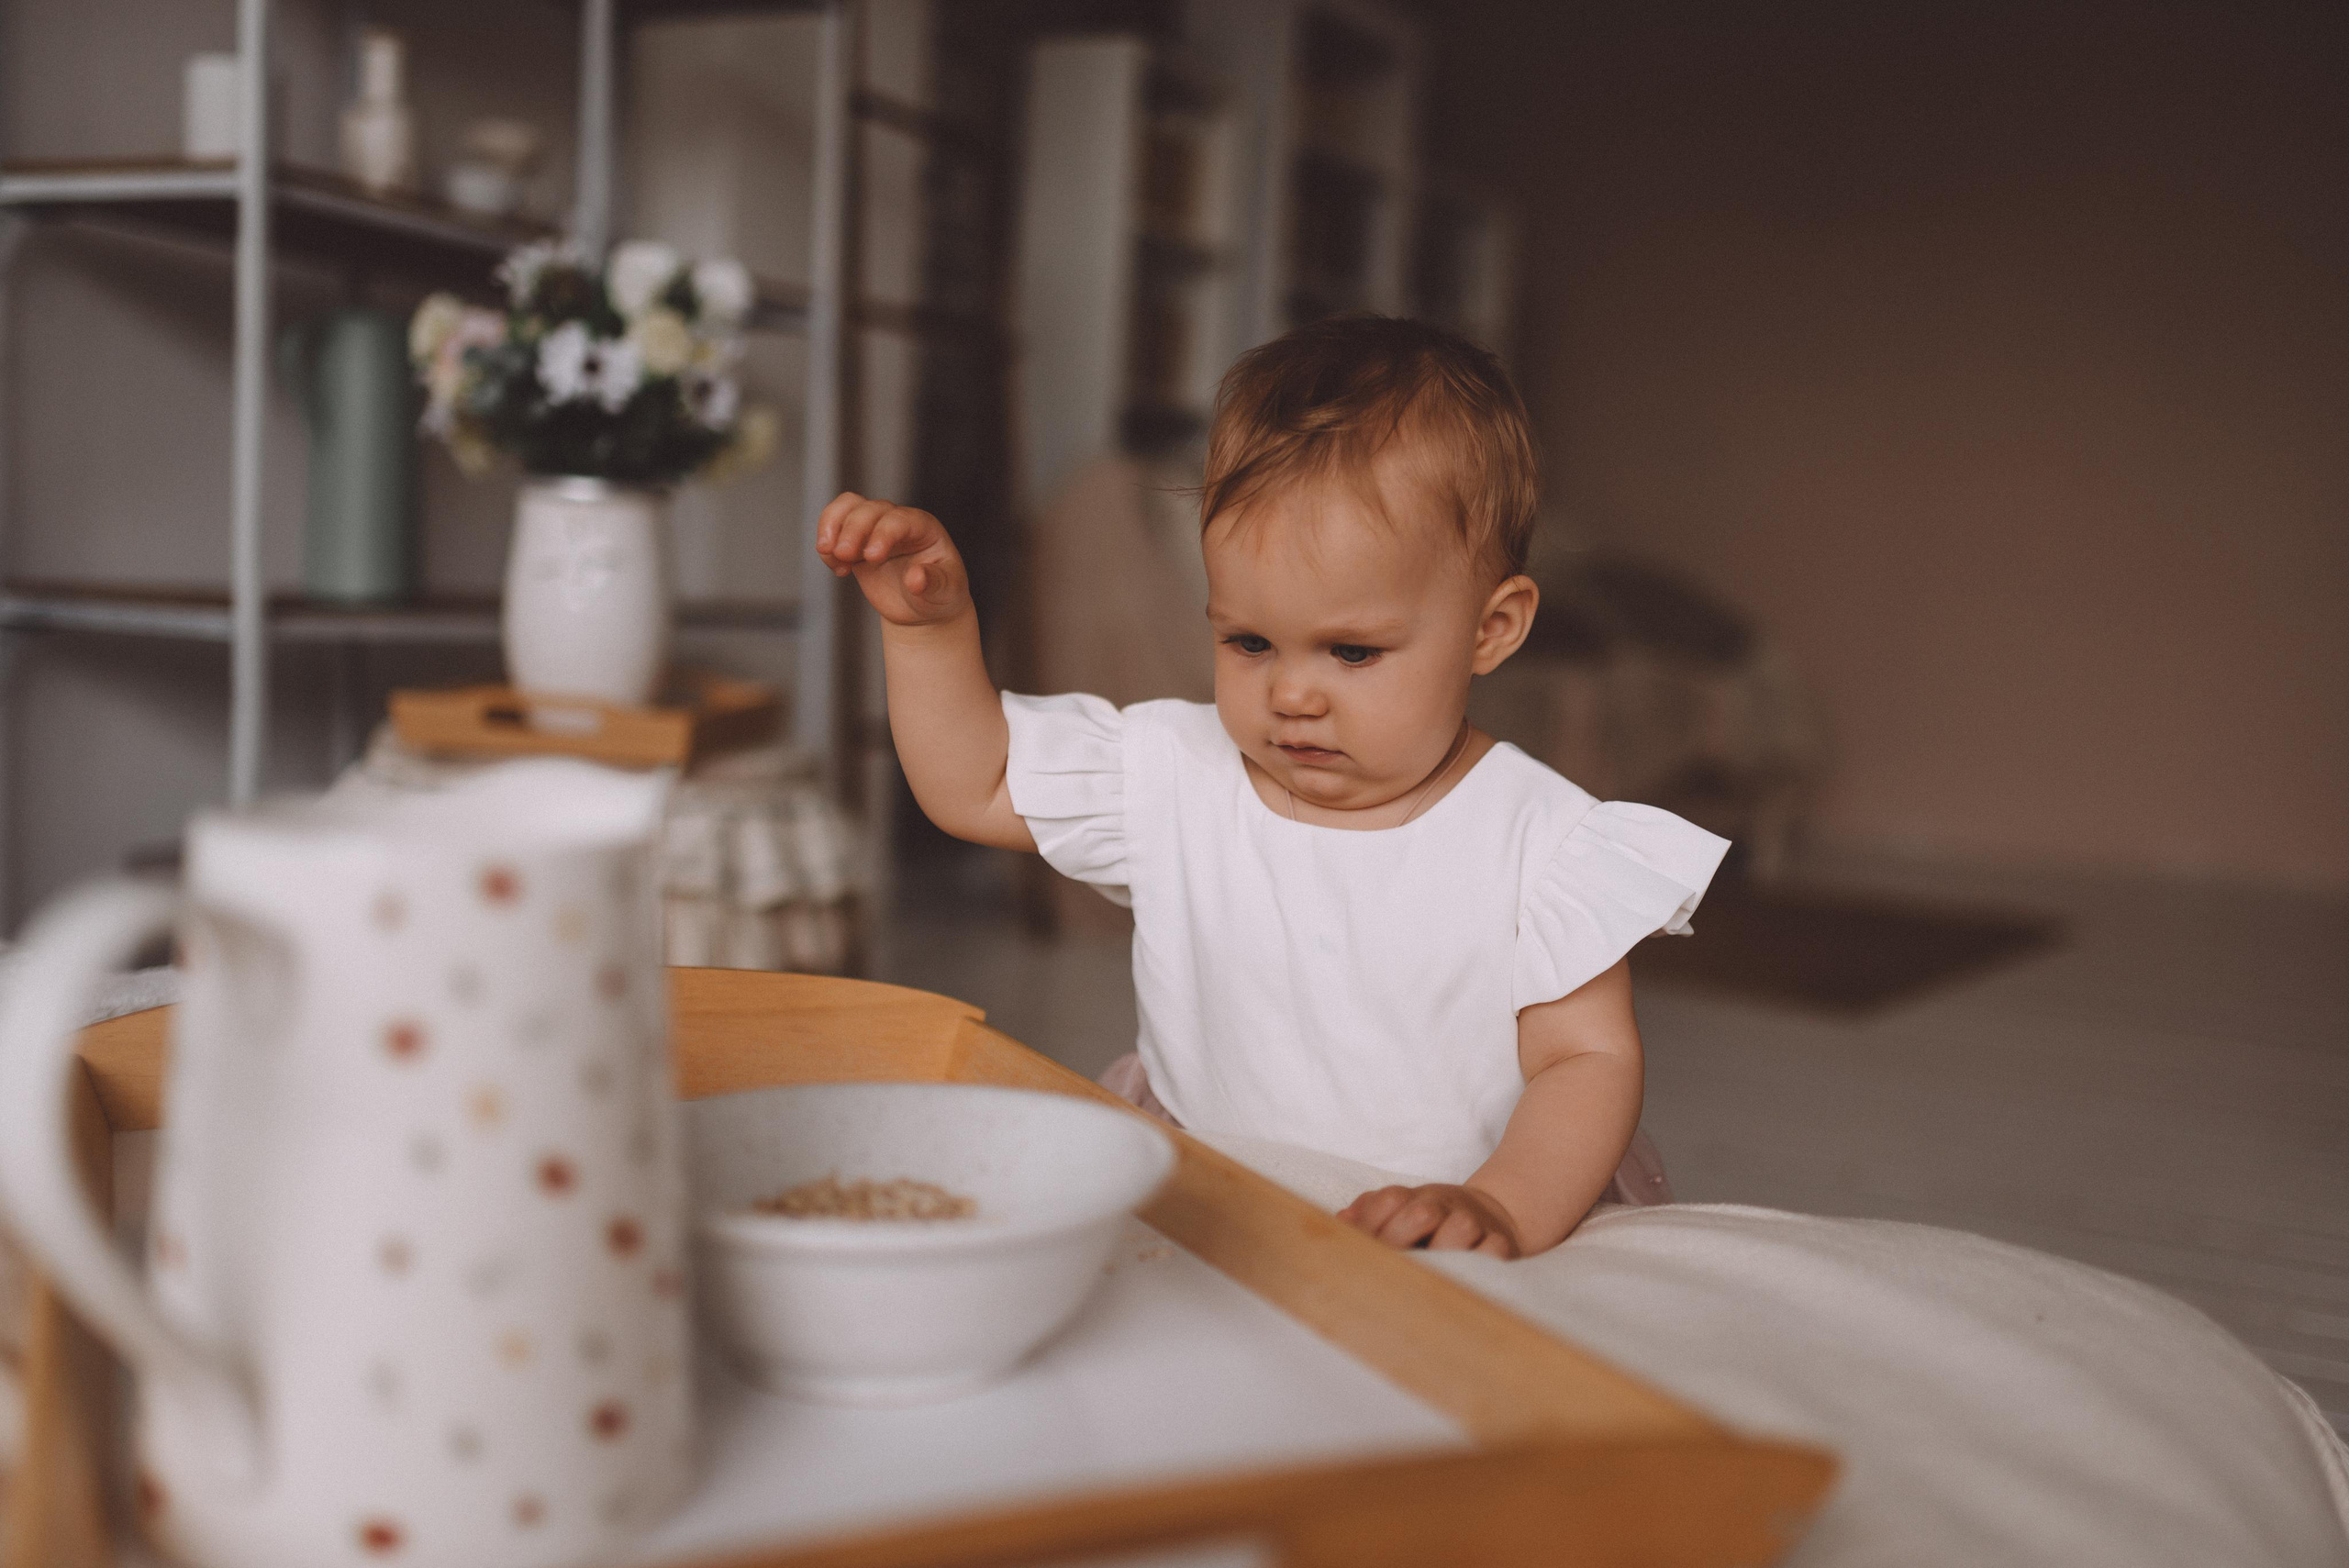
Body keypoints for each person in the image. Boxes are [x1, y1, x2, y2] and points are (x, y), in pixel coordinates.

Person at [815, 315, 1728, 1258]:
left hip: (1456, 1219)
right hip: (1208, 1190)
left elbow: (1586, 1059)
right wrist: (929, 633)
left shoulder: (1542, 842)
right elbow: (978, 783)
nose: (1291, 694)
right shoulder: (1173, 771)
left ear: (1490, 629)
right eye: (1249, 641)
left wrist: (1499, 1207)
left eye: (1352, 651)